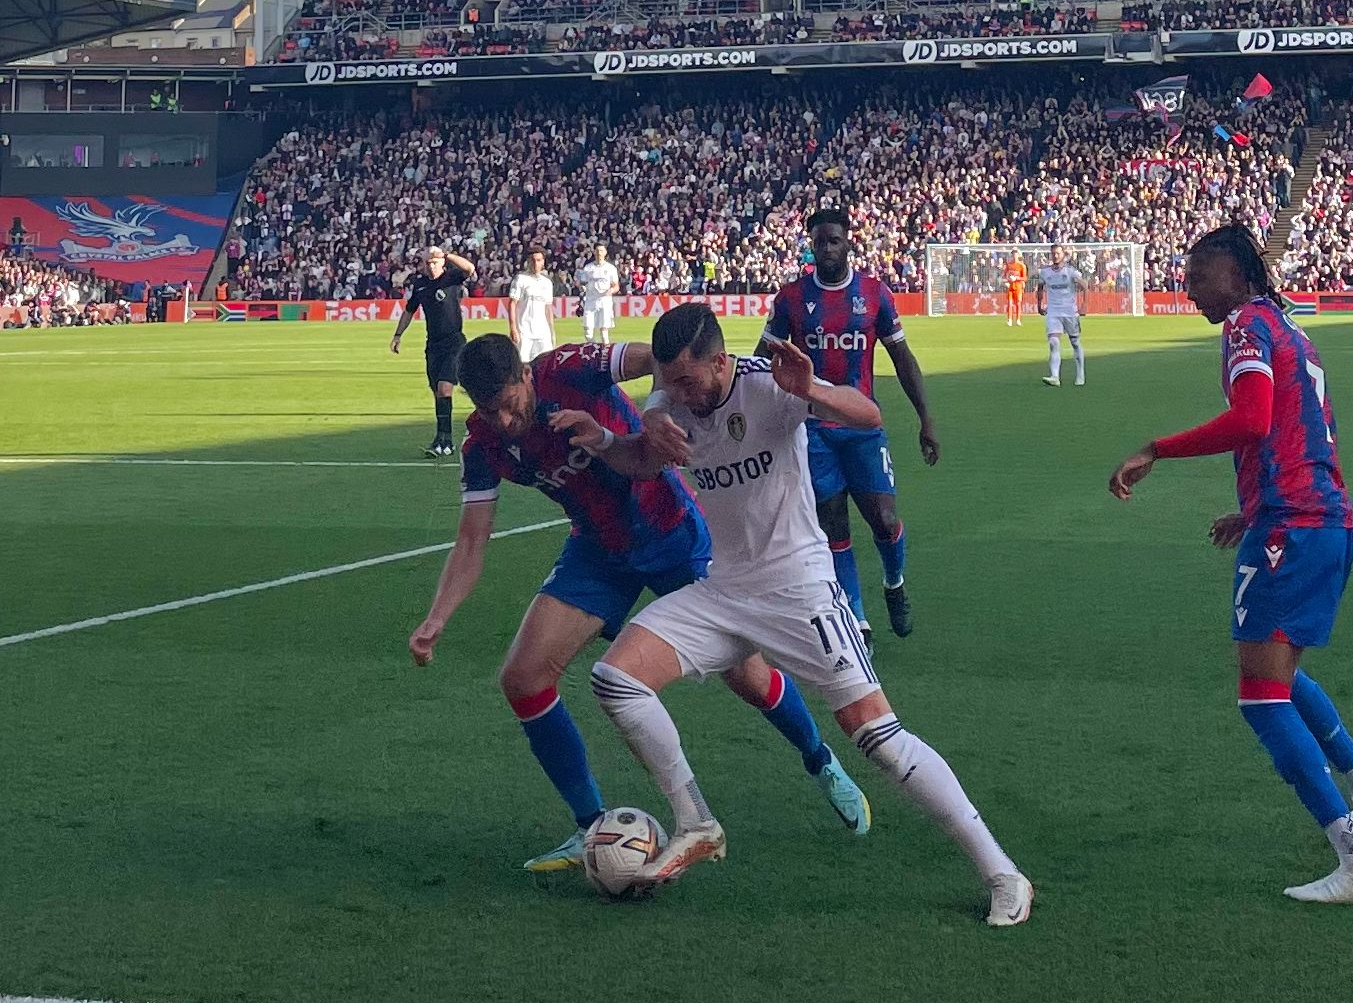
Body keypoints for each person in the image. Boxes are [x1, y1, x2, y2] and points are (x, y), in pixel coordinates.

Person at [580, 301, 1032, 924]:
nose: (675, 392)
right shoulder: (668, 401)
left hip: (800, 588)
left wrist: (813, 388)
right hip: (723, 590)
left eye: (686, 380)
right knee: (616, 679)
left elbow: (869, 414)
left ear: (719, 362)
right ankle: (697, 822)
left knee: (879, 738)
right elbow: (640, 460)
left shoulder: (767, 385)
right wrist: (608, 441)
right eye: (667, 381)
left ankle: (1002, 872)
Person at [410, 331, 871, 875]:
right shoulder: (481, 446)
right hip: (598, 550)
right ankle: (590, 827)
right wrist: (438, 616)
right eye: (491, 412)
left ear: (526, 375)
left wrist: (653, 415)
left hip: (671, 532)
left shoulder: (569, 369)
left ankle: (820, 760)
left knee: (745, 675)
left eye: (510, 406)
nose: (505, 422)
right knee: (524, 678)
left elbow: (661, 357)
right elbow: (471, 539)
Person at [1109, 224, 1353, 907]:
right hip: (1323, 517)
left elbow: (1250, 419)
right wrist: (1253, 505)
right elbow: (1299, 425)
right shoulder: (1288, 327)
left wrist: (1155, 448)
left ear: (1241, 275)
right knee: (1282, 673)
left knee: (1261, 696)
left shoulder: (1246, 323)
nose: (1189, 286)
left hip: (1294, 529)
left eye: (1201, 272)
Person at [764, 206, 939, 639]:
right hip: (813, 430)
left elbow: (902, 357)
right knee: (833, 527)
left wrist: (925, 418)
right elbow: (762, 356)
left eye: (833, 240)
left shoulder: (874, 294)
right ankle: (856, 621)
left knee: (883, 518)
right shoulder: (791, 298)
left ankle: (894, 584)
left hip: (862, 427)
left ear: (848, 243)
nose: (825, 248)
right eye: (818, 241)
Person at [391, 243, 477, 457]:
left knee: (444, 388)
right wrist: (398, 335)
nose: (431, 266)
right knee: (437, 393)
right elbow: (409, 311)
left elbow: (470, 269)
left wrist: (447, 255)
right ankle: (440, 438)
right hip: (433, 345)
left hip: (454, 342)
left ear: (442, 262)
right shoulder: (420, 285)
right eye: (428, 262)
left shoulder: (451, 277)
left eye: (435, 262)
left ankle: (447, 442)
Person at [1035, 243, 1087, 388]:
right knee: (1053, 342)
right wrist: (1039, 306)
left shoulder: (1071, 271)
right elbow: (1040, 288)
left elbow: (1085, 286)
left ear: (1063, 254)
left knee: (1075, 342)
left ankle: (1080, 373)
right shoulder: (1045, 272)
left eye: (1058, 253)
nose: (1055, 256)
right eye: (1053, 253)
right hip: (1053, 312)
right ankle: (1055, 377)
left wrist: (1084, 305)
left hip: (1070, 312)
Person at [508, 246, 556, 366]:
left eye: (539, 260)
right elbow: (512, 304)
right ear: (528, 261)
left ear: (543, 262)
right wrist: (513, 328)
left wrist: (552, 331)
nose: (536, 263)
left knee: (545, 364)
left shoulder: (547, 283)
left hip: (542, 331)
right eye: (533, 260)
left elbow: (548, 308)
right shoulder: (520, 279)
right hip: (524, 330)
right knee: (523, 365)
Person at [579, 244, 620, 346]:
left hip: (604, 301)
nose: (599, 253)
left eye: (601, 251)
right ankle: (594, 349)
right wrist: (582, 287)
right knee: (588, 331)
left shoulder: (611, 268)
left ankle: (605, 353)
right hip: (590, 300)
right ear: (594, 252)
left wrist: (610, 291)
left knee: (604, 332)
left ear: (605, 253)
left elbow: (616, 286)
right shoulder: (588, 267)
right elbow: (582, 283)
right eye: (597, 251)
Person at [1003, 251, 1028, 328]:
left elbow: (1025, 278)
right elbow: (1004, 275)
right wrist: (1007, 280)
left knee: (1018, 303)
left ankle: (1018, 320)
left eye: (1016, 254)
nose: (1014, 256)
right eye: (1013, 254)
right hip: (1010, 286)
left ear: (1018, 255)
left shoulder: (1022, 266)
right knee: (1009, 303)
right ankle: (1010, 320)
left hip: (1018, 286)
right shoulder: (1008, 264)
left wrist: (1017, 278)